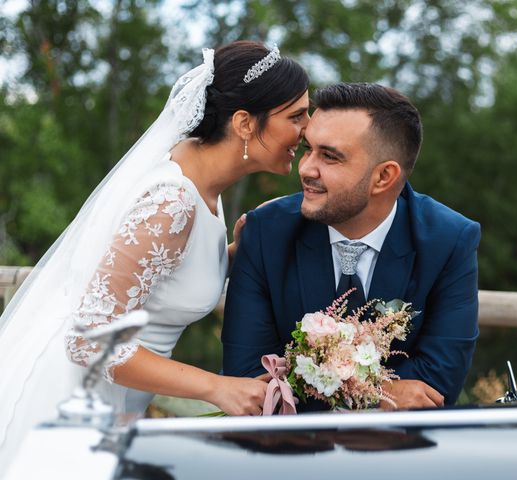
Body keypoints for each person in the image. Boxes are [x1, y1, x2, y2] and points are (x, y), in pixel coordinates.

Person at [0, 40, 310, 469]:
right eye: (296, 116)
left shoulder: (204, 188)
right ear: (243, 122)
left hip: (116, 403)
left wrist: (241, 252)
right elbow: (90, 341)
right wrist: (216, 387)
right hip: (71, 403)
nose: (308, 130)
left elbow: (169, 274)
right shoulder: (171, 202)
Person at [222, 83, 480, 411]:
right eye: (308, 149)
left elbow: (438, 383)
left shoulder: (449, 240)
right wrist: (378, 393)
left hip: (395, 452)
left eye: (330, 156)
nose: (305, 169)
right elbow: (246, 377)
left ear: (383, 177)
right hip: (286, 449)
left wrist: (300, 387)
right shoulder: (265, 232)